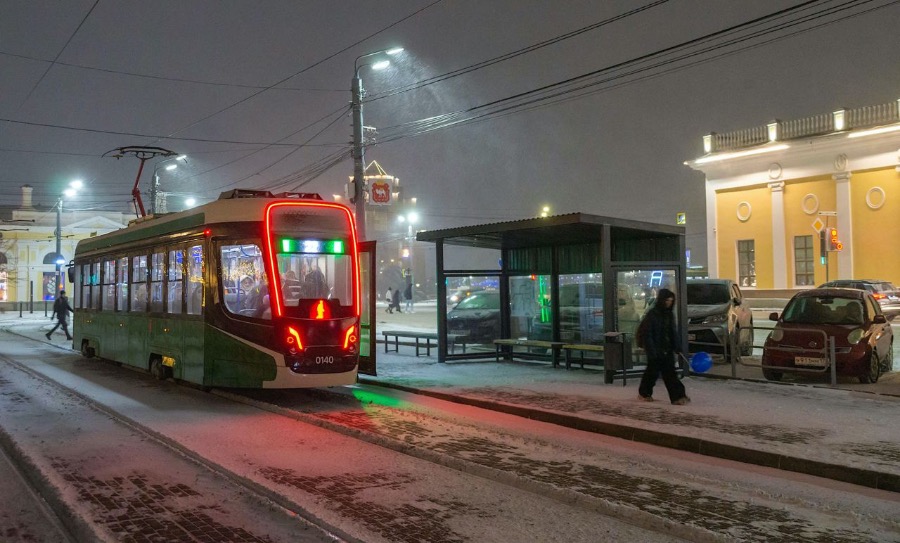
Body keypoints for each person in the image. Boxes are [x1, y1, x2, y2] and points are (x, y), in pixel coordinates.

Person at [638, 288, 690, 405]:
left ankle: (677, 396)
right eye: (667, 300)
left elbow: (672, 332)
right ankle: (676, 396)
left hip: (666, 349)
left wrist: (677, 346)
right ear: (661, 300)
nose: (669, 303)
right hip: (656, 349)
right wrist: (652, 350)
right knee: (657, 373)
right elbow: (648, 334)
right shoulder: (653, 314)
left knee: (664, 373)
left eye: (671, 301)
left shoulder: (669, 314)